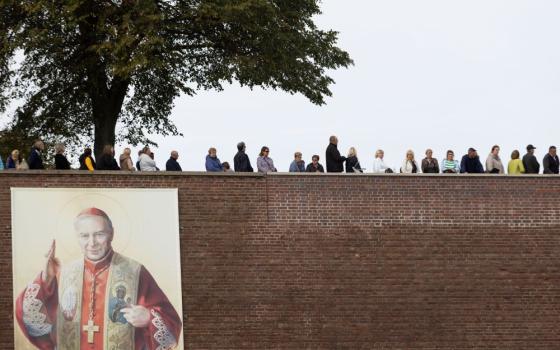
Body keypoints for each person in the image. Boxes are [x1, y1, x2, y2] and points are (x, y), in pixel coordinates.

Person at [15, 207, 182, 349]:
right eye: (84, 236)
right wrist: (46, 278)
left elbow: (171, 322)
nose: (92, 243)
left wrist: (148, 318)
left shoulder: (135, 271)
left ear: (111, 234)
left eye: (99, 234)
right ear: (77, 237)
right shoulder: (65, 273)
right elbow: (29, 317)